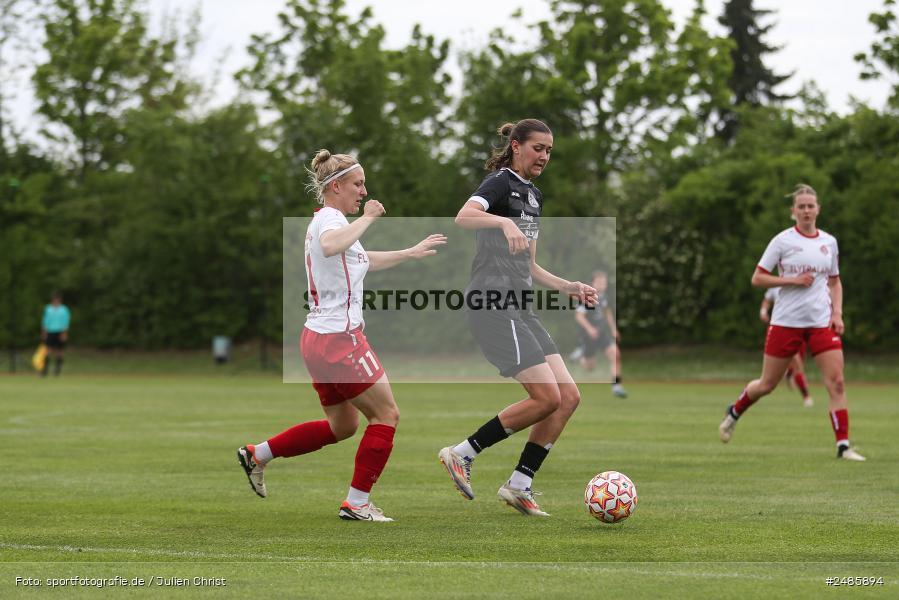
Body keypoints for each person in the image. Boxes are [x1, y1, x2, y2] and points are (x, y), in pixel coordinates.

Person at [237, 149, 446, 521]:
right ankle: (357, 503)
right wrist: (367, 219)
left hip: (317, 338)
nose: (363, 192)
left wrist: (409, 253)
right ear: (336, 186)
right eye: (358, 184)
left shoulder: (330, 221)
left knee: (343, 425)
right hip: (339, 339)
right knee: (386, 415)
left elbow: (359, 258)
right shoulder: (330, 222)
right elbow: (332, 245)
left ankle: (258, 454)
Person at [438, 119, 597, 516]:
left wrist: (569, 286)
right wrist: (502, 219)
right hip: (493, 302)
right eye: (538, 148)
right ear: (516, 145)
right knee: (546, 397)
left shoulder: (535, 196)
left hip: (520, 305)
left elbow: (531, 266)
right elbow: (463, 216)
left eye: (548, 150)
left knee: (568, 397)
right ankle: (462, 453)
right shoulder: (500, 182)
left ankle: (519, 484)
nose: (544, 156)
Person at [719, 184, 865, 461]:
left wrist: (837, 313)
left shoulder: (829, 242)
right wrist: (792, 280)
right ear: (793, 212)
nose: (807, 210)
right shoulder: (782, 241)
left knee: (837, 383)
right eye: (802, 206)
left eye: (811, 206)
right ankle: (734, 411)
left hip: (821, 322)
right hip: (786, 321)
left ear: (818, 209)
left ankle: (843, 446)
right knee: (767, 385)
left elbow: (835, 282)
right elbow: (758, 278)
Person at [573, 269, 627, 398]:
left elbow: (607, 313)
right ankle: (580, 356)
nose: (602, 284)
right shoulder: (587, 297)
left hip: (602, 334)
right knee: (590, 367)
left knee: (615, 355)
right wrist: (590, 329)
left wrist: (613, 329)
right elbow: (579, 316)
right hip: (589, 336)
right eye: (599, 282)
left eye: (604, 282)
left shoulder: (604, 296)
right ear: (592, 283)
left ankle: (617, 386)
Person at [759, 287, 813, 407]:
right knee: (797, 363)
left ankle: (789, 374)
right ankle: (807, 397)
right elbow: (767, 300)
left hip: (801, 329)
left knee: (798, 364)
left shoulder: (803, 282)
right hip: (783, 330)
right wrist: (763, 312)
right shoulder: (776, 285)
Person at [40, 292, 70, 377]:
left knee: (59, 352)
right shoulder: (48, 309)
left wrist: (64, 333)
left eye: (57, 299)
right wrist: (44, 332)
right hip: (50, 332)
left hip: (60, 331)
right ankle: (44, 371)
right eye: (54, 299)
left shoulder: (64, 310)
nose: (55, 301)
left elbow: (66, 322)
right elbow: (45, 321)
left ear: (60, 300)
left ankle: (57, 371)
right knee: (47, 351)